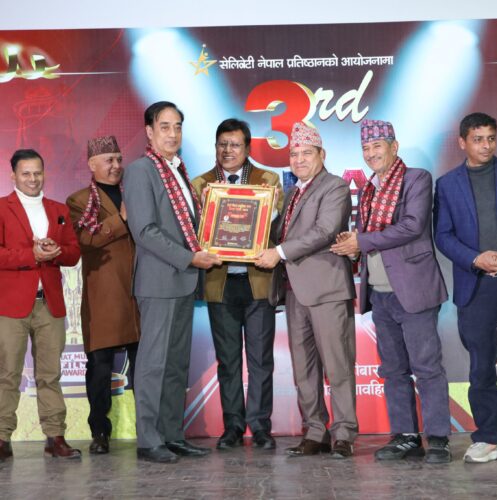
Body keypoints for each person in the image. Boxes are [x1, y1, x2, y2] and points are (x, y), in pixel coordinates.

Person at [332, 119, 452, 463]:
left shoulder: (416, 179)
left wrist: (362, 241)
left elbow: (412, 226)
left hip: (414, 290)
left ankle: (438, 438)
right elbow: (367, 237)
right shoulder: (369, 189)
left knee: (427, 367)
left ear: (394, 147)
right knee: (393, 370)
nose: (371, 154)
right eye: (366, 148)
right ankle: (405, 437)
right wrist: (352, 245)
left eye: (377, 146)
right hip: (380, 293)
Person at [123, 101, 222, 463]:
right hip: (159, 282)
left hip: (183, 281)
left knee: (176, 364)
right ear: (149, 132)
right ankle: (148, 440)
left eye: (178, 126)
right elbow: (145, 231)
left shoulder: (178, 170)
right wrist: (189, 258)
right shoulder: (140, 171)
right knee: (153, 364)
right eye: (164, 126)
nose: (173, 133)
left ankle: (172, 435)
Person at [256, 122, 358, 459]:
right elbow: (279, 232)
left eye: (306, 153)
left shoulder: (335, 186)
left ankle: (343, 433)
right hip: (294, 291)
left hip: (327, 289)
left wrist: (279, 252)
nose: (299, 159)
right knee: (304, 368)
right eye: (294, 154)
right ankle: (315, 432)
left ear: (321, 155)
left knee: (338, 366)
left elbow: (325, 231)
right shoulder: (291, 193)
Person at [192, 118, 283, 450]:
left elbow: (274, 224)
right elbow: (193, 232)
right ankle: (232, 426)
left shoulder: (267, 180)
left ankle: (259, 426)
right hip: (220, 284)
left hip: (257, 282)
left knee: (260, 359)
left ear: (247, 148)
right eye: (222, 144)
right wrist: (203, 209)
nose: (227, 150)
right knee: (228, 360)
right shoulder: (200, 184)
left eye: (234, 145)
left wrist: (267, 207)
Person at [0, 149, 81, 461]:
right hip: (11, 306)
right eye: (26, 173)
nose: (33, 179)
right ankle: (2, 437)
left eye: (37, 173)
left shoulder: (58, 210)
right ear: (13, 176)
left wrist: (55, 250)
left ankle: (55, 437)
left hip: (50, 304)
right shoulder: (2, 208)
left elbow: (73, 253)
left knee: (50, 373)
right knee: (8, 373)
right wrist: (32, 255)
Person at [66, 136, 140, 455]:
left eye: (119, 159)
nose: (116, 165)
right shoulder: (79, 200)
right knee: (99, 367)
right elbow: (86, 240)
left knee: (144, 366)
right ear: (91, 164)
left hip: (140, 293)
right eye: (109, 160)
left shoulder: (135, 192)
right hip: (104, 296)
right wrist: (121, 218)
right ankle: (99, 431)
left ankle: (150, 428)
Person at [434, 112, 497, 463]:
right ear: (462, 142)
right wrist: (476, 259)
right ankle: (490, 437)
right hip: (476, 285)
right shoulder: (447, 185)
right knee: (481, 367)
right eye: (478, 139)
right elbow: (443, 236)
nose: (486, 145)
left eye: (491, 138)